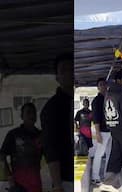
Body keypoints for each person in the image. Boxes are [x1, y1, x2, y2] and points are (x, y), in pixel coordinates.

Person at [40, 54, 74, 192]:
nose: (69, 73)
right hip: (66, 180)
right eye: (63, 70)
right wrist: (57, 184)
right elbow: (50, 148)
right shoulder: (52, 108)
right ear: (57, 77)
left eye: (72, 69)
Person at [99, 69, 122, 192]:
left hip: (113, 129)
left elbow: (105, 112)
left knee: (115, 156)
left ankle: (109, 182)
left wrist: (110, 126)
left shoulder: (108, 94)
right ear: (119, 80)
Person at [0, 103, 42, 192]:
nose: (32, 115)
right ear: (22, 116)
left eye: (34, 112)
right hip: (18, 183)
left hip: (36, 182)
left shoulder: (40, 135)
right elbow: (2, 155)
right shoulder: (13, 134)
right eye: (28, 112)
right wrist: (9, 176)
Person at [91, 78, 111, 184]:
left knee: (109, 153)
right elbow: (96, 118)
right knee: (99, 154)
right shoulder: (96, 101)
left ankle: (106, 175)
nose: (103, 86)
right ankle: (95, 176)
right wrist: (97, 133)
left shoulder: (109, 98)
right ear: (98, 87)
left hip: (111, 131)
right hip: (102, 131)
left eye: (104, 84)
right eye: (101, 85)